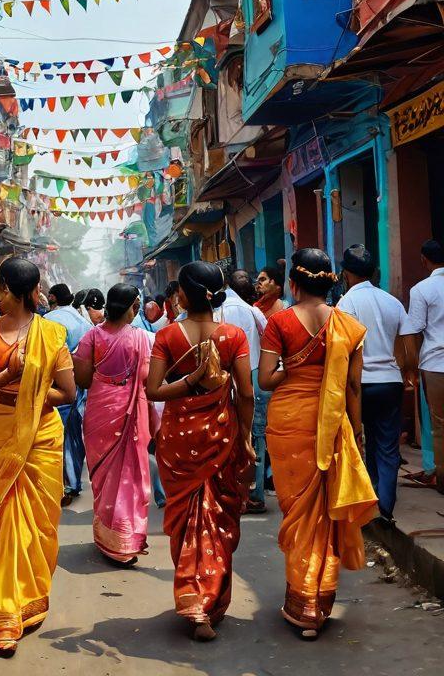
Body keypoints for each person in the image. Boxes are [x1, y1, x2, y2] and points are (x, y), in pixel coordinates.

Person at [259, 248, 377, 638]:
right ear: (329, 282)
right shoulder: (347, 324)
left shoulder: (279, 321)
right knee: (322, 514)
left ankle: (303, 601)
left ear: (293, 283)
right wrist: (356, 432)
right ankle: (318, 601)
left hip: (288, 423)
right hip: (329, 427)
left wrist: (291, 366)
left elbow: (265, 380)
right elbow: (353, 387)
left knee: (296, 513)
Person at [0, 256, 76, 656]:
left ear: (12, 291)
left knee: (37, 524)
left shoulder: (52, 333)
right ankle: (5, 612)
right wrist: (7, 378)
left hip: (40, 436)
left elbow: (69, 392)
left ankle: (27, 599)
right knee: (5, 521)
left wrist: (28, 392)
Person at [147, 261, 254, 641]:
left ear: (183, 294)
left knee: (186, 523)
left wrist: (188, 380)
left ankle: (194, 600)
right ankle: (210, 602)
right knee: (219, 521)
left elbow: (154, 390)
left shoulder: (167, 337)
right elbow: (246, 394)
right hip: (222, 436)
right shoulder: (235, 336)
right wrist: (245, 439)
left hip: (178, 439)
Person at [74, 283, 152, 566]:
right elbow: (147, 378)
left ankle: (110, 537)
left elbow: (82, 380)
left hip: (100, 410)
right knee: (129, 476)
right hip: (131, 410)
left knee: (104, 477)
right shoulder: (143, 339)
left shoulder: (91, 337)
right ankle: (126, 539)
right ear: (132, 307)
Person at [337, 245, 410, 522]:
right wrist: (404, 372)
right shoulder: (392, 301)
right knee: (388, 445)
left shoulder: (346, 304)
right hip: (390, 380)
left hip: (361, 382)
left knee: (360, 440)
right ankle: (385, 505)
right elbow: (404, 345)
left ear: (346, 273)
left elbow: (345, 349)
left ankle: (370, 500)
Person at [213, 268, 268, 514]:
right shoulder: (253, 311)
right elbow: (269, 339)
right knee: (256, 434)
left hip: (222, 378)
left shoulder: (215, 312)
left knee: (226, 432)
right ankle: (255, 494)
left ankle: (230, 491)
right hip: (253, 374)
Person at [402, 238, 444, 493]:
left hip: (435, 362)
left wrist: (411, 367)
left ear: (424, 260)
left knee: (439, 424)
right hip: (434, 361)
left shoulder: (422, 289)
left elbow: (412, 329)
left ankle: (441, 478)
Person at [45, 283, 91, 505]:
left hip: (58, 385)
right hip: (80, 384)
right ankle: (72, 482)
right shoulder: (83, 320)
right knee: (74, 433)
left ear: (52, 297)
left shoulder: (49, 321)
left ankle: (64, 484)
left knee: (58, 434)